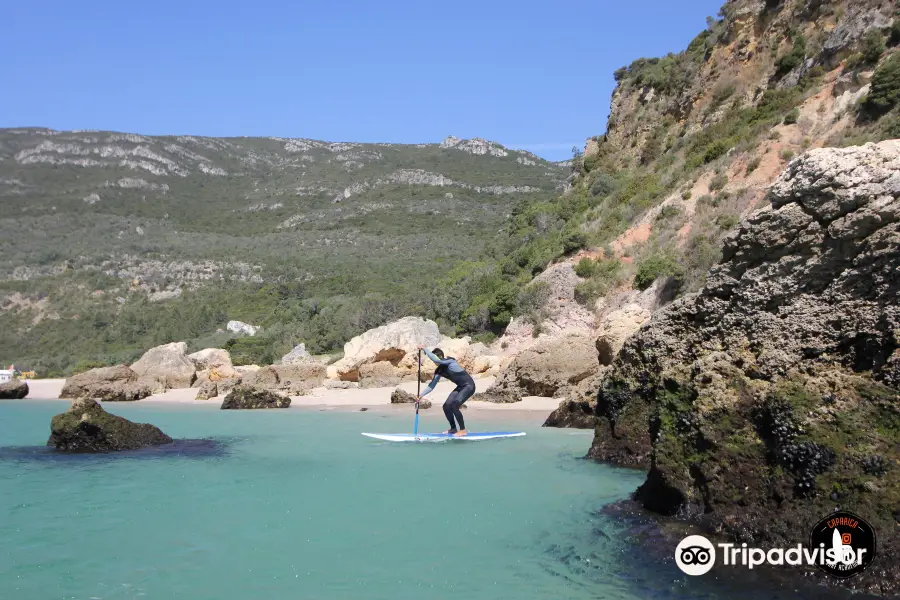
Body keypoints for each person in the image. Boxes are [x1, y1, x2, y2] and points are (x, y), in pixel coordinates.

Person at [417, 345, 476, 436]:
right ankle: (453, 428)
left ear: (440, 357)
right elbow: (432, 385)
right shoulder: (439, 370)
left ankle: (463, 430)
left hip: (469, 386)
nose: (434, 362)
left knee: (455, 405)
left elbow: (436, 360)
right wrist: (421, 395)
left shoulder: (451, 361)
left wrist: (424, 348)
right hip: (461, 387)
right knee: (446, 406)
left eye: (435, 359)